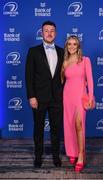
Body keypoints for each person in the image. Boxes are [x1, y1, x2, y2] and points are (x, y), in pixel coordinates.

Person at [25, 21, 64, 168]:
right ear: (41, 33)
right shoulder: (33, 51)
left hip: (57, 98)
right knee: (38, 128)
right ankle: (38, 156)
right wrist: (31, 96)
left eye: (52, 30)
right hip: (39, 98)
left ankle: (55, 156)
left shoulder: (62, 51)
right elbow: (28, 76)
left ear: (56, 33)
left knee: (56, 129)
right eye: (46, 30)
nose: (49, 33)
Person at [61, 35, 94, 172]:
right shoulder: (64, 62)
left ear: (78, 46)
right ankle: (73, 152)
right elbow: (62, 81)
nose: (72, 46)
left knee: (79, 125)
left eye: (75, 44)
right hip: (67, 96)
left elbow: (90, 80)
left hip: (80, 96)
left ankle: (81, 155)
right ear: (66, 46)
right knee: (69, 125)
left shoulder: (85, 60)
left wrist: (90, 97)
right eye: (69, 44)